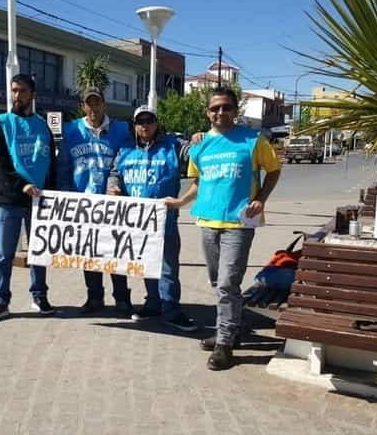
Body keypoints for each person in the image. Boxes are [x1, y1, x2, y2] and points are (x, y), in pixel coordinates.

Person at [166, 87, 282, 370]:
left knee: (229, 282)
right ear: (208, 113)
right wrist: (180, 202)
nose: (220, 112)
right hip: (207, 222)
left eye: (226, 107)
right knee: (219, 283)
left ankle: (225, 345)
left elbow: (274, 169)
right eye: (215, 108)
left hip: (239, 223)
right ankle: (230, 330)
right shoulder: (200, 145)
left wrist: (260, 199)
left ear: (235, 110)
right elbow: (199, 182)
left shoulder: (253, 140)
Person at [107, 105, 197, 331]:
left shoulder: (173, 145)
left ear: (157, 123)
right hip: (136, 222)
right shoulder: (126, 148)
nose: (145, 125)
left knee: (167, 268)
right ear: (134, 126)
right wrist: (113, 187)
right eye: (140, 121)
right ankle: (154, 304)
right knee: (146, 264)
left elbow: (196, 156)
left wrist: (201, 141)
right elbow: (115, 173)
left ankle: (172, 310)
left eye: (149, 120)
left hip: (164, 221)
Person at [0, 74, 57, 323]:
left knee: (39, 252)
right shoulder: (0, 123)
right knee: (4, 254)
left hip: (38, 200)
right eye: (14, 90)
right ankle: (0, 301)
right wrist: (22, 184)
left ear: (32, 95)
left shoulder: (42, 125)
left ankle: (40, 296)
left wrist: (52, 193)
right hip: (9, 199)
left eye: (22, 91)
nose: (17, 95)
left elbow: (50, 161)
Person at [58, 87, 133, 315]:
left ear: (104, 104)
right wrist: (66, 197)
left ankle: (122, 298)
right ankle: (94, 298)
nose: (93, 107)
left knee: (116, 252)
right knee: (88, 253)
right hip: (83, 205)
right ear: (83, 106)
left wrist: (114, 186)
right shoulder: (71, 130)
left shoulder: (121, 129)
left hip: (113, 203)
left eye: (97, 102)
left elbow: (125, 159)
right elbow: (63, 166)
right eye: (88, 103)